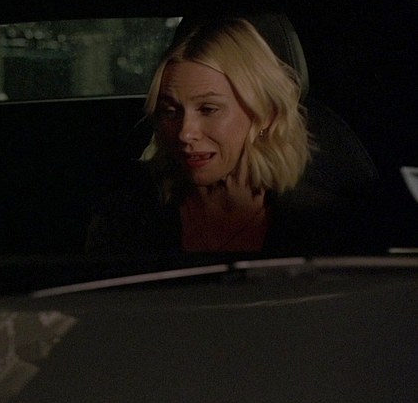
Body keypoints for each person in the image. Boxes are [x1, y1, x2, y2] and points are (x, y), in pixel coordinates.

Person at [87, 17, 369, 262]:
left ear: (265, 115)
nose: (185, 133)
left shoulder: (323, 225)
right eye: (170, 111)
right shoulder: (127, 218)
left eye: (208, 109)